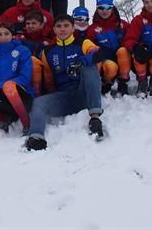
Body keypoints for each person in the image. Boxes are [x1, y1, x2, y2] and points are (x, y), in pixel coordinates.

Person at [25, 14, 105, 151]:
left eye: (66, 26)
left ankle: (95, 119)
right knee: (38, 103)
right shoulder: (48, 51)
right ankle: (36, 137)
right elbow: (49, 80)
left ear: (73, 28)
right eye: (59, 26)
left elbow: (99, 53)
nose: (63, 29)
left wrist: (81, 62)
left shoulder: (83, 43)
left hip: (84, 94)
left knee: (90, 66)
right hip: (64, 99)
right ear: (54, 30)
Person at [85, 0, 130, 96]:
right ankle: (106, 83)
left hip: (123, 60)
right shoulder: (92, 29)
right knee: (111, 67)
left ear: (112, 8)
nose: (104, 11)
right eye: (101, 8)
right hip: (105, 62)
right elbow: (89, 47)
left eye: (107, 7)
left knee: (123, 51)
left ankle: (123, 82)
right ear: (97, 9)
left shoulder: (122, 24)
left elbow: (132, 39)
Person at [18, 10, 55, 96]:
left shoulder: (48, 41)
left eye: (34, 23)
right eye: (28, 23)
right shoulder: (20, 39)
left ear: (42, 25)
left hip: (43, 77)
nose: (30, 26)